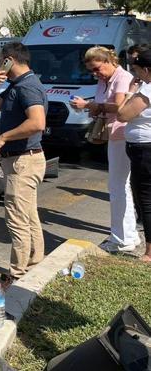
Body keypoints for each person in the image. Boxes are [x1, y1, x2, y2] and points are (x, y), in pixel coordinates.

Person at [0, 42, 48, 285]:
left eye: (0, 60)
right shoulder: (15, 85)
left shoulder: (28, 86)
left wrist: (4, 136)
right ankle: (35, 266)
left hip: (24, 161)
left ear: (10, 59)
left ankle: (18, 275)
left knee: (17, 220)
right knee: (29, 216)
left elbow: (37, 123)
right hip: (21, 160)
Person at [71, 46, 139, 252]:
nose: (95, 74)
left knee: (118, 187)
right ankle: (128, 235)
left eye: (97, 69)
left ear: (109, 61)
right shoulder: (104, 80)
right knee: (120, 186)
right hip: (113, 134)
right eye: (91, 70)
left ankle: (121, 239)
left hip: (122, 134)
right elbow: (103, 105)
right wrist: (91, 108)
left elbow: (119, 107)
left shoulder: (122, 77)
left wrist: (90, 106)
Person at [117, 49, 151, 263]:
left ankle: (149, 252)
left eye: (138, 71)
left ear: (147, 70)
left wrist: (130, 92)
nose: (136, 76)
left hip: (145, 150)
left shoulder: (146, 92)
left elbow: (122, 114)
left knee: (146, 200)